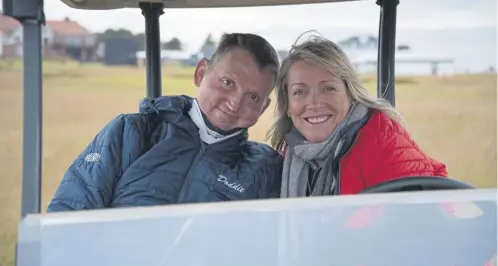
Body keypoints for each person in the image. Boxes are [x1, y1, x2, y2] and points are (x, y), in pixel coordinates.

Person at [47, 33, 283, 212]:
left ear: (263, 107)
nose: (234, 103)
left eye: (252, 97)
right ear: (200, 73)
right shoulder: (131, 133)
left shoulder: (264, 168)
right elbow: (70, 214)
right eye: (227, 83)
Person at [267, 34, 448, 197]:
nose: (314, 103)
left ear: (350, 93)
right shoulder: (292, 151)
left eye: (328, 88)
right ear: (288, 104)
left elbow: (417, 221)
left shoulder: (382, 142)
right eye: (300, 92)